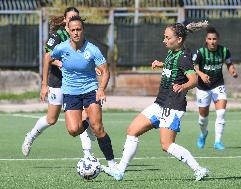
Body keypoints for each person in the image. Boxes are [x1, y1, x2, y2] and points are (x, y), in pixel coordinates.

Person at [101, 23, 209, 181]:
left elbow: (193, 79)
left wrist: (183, 85)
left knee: (166, 145)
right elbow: (174, 67)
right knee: (132, 130)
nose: (164, 40)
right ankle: (120, 171)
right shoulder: (172, 52)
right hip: (160, 103)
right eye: (164, 37)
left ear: (179, 39)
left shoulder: (184, 57)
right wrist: (162, 64)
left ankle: (199, 169)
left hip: (173, 105)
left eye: (167, 37)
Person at [22, 7, 95, 158]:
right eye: (71, 17)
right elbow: (48, 57)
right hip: (57, 82)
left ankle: (88, 155)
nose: (74, 20)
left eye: (76, 17)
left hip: (74, 83)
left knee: (81, 117)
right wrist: (45, 84)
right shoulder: (57, 36)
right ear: (64, 21)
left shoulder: (79, 37)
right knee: (51, 119)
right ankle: (30, 137)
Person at [44, 15, 116, 168]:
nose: (76, 32)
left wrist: (101, 89)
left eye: (79, 29)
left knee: (98, 128)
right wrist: (44, 83)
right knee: (73, 130)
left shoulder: (92, 49)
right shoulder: (62, 48)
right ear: (68, 31)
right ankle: (87, 122)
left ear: (83, 30)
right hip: (70, 92)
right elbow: (47, 58)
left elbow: (105, 71)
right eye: (73, 30)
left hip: (90, 90)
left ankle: (111, 163)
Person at [193, 26, 238, 150]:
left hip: (218, 85)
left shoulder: (224, 51)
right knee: (203, 118)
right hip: (203, 88)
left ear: (218, 39)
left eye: (214, 39)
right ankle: (203, 134)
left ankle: (218, 141)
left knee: (221, 112)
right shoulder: (200, 52)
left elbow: (229, 64)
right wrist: (201, 74)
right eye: (210, 39)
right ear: (206, 40)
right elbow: (194, 67)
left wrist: (232, 71)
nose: (212, 41)